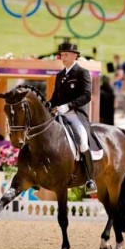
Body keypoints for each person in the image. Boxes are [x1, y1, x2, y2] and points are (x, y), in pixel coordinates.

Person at [49, 42, 97, 195]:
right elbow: (55, 98)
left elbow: (87, 96)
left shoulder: (82, 72)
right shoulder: (60, 75)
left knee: (82, 142)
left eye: (66, 54)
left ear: (75, 55)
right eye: (62, 54)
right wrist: (47, 105)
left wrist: (68, 106)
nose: (63, 57)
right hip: (59, 114)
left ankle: (90, 179)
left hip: (75, 114)